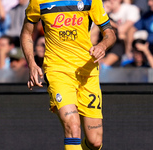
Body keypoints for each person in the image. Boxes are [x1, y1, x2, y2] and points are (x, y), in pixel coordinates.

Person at [20, 0, 116, 150]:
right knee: (72, 125)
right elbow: (26, 33)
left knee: (95, 142)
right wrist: (32, 64)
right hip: (58, 71)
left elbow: (110, 33)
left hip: (87, 72)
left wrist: (102, 46)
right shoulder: (38, 2)